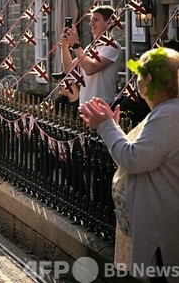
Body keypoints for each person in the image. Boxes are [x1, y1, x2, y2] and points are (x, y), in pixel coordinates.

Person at [80, 47, 179, 275]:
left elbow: (132, 159)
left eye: (140, 75)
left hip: (163, 231)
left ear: (150, 80)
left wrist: (105, 126)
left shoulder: (169, 114)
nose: (137, 81)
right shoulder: (166, 111)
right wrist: (113, 127)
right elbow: (143, 155)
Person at [62, 5, 120, 105]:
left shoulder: (112, 46)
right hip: (85, 104)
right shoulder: (90, 47)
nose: (91, 23)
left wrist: (76, 45)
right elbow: (69, 70)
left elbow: (90, 69)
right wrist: (64, 46)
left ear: (108, 23)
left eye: (96, 20)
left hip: (101, 105)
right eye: (91, 20)